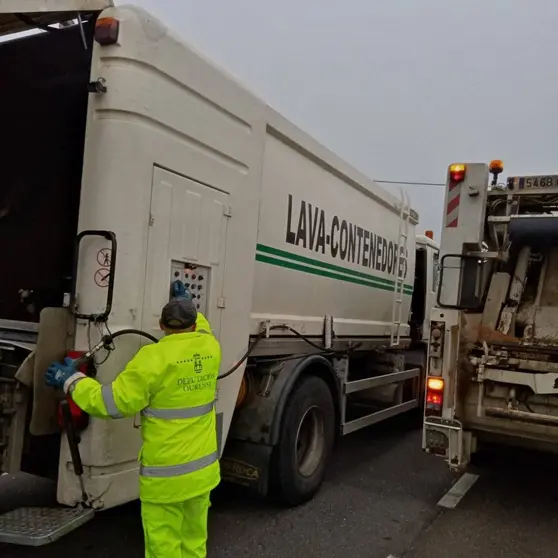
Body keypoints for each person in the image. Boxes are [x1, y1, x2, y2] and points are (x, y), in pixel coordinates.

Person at [45, 298, 221, 558]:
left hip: (165, 480)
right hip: (202, 475)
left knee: (164, 547)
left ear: (161, 326)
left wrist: (71, 380)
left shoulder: (153, 357)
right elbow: (203, 327)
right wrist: (191, 302)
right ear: (194, 324)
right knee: (194, 541)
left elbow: (112, 402)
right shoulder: (210, 346)